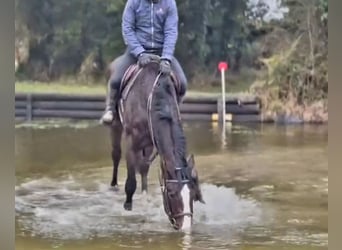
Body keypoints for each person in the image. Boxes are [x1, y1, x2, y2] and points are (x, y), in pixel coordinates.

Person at [101, 0, 187, 124]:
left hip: (161, 52)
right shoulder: (134, 2)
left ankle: (174, 114)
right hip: (136, 52)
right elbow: (128, 29)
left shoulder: (169, 3)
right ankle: (110, 110)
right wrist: (139, 52)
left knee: (182, 83)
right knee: (115, 80)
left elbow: (171, 32)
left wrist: (166, 58)